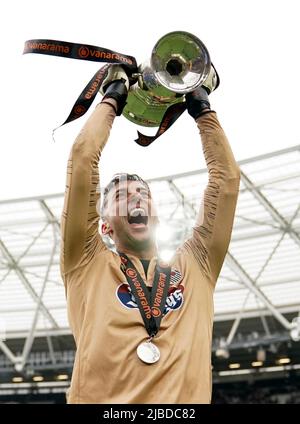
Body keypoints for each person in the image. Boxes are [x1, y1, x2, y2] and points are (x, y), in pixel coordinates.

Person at [60, 63, 240, 404]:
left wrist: (202, 108)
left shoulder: (198, 264)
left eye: (143, 193)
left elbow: (226, 180)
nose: (136, 197)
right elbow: (84, 160)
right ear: (104, 226)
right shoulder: (84, 261)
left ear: (156, 214)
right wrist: (112, 99)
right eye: (122, 196)